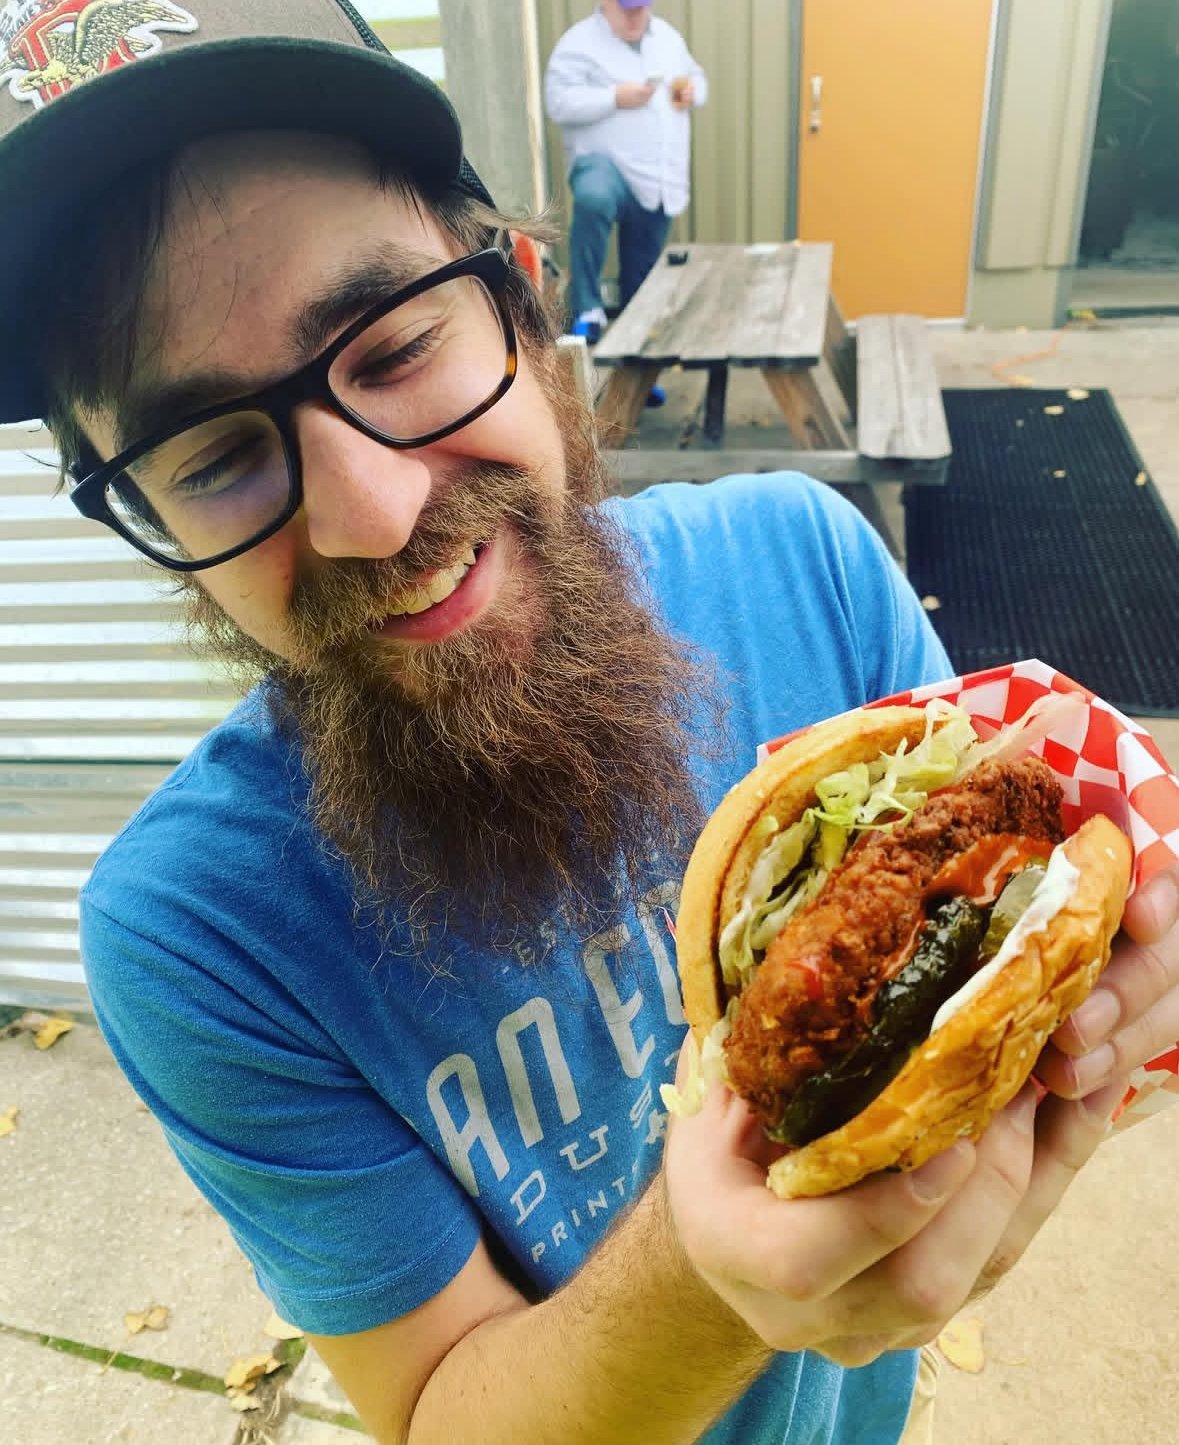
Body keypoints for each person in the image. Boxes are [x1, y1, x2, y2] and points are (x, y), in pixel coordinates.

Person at [2, 6, 1176, 1444]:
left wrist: (1105, 1011)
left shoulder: (812, 561)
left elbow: (1021, 941)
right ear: (144, 520)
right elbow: (437, 1412)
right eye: (212, 456)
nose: (376, 513)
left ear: (523, 295)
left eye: (393, 348)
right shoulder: (194, 932)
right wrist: (711, 1281)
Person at [545, 0, 707, 345]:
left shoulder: (668, 39)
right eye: (626, 9)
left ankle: (637, 341)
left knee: (642, 276)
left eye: (640, 8)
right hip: (604, 166)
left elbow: (696, 78)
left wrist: (693, 91)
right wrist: (613, 97)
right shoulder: (578, 43)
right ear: (606, 4)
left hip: (655, 176)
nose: (635, 17)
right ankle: (587, 310)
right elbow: (558, 101)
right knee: (594, 197)